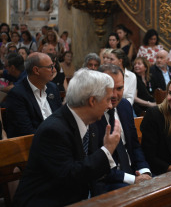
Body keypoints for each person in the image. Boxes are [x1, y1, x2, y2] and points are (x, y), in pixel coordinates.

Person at [13, 68, 122, 206]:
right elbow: (71, 176)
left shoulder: (91, 122)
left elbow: (92, 177)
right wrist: (107, 150)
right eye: (107, 99)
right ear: (92, 101)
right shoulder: (53, 130)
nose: (109, 105)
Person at [95, 64, 151, 191]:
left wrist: (144, 172)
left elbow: (135, 146)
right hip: (107, 181)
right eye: (109, 89)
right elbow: (97, 165)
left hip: (133, 173)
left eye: (119, 88)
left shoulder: (124, 106)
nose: (115, 95)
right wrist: (134, 180)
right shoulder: (92, 113)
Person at [5, 52, 62, 138]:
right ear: (36, 70)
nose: (54, 70)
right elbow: (26, 132)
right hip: (36, 144)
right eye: (50, 67)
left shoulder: (52, 88)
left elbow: (61, 118)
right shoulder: (17, 94)